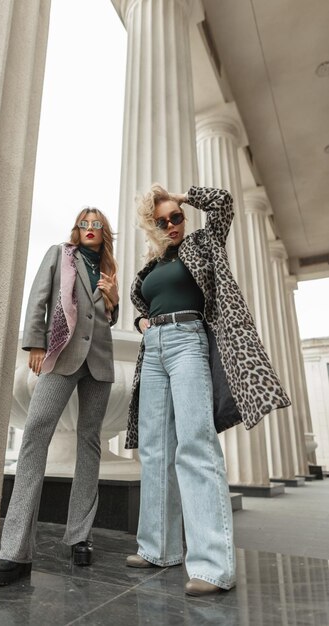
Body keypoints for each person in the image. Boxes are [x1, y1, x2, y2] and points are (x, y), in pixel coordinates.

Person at [125, 184, 290, 597]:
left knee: (195, 445)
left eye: (175, 217)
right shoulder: (151, 267)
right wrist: (142, 324)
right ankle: (158, 548)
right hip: (155, 349)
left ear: (184, 217)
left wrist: (179, 196)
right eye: (162, 220)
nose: (171, 224)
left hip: (188, 341)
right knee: (155, 448)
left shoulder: (204, 241)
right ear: (153, 226)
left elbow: (223, 203)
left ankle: (213, 566)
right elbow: (142, 306)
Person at [0, 207, 119, 586]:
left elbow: (107, 319)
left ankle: (80, 535)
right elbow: (39, 299)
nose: (91, 228)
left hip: (99, 362)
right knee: (34, 437)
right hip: (61, 355)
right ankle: (14, 550)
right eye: (85, 223)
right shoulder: (59, 255)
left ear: (104, 232)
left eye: (97, 224)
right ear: (77, 230)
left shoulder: (109, 269)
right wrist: (34, 343)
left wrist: (112, 300)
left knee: (89, 442)